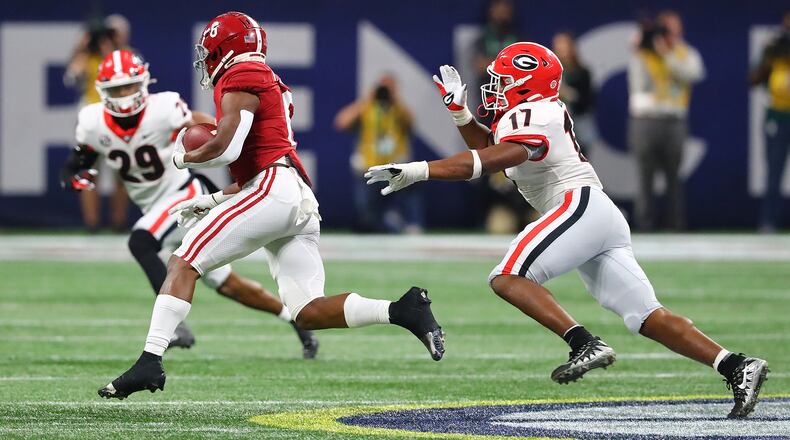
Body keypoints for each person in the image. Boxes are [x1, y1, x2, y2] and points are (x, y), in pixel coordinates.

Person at [367, 43, 768, 418]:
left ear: (526, 83)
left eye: (503, 81)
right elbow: (496, 151)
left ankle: (584, 342)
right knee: (645, 317)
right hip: (595, 214)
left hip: (577, 205)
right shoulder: (530, 115)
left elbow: (492, 160)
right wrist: (461, 116)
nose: (495, 88)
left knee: (508, 277)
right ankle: (737, 365)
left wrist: (421, 170)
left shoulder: (535, 112)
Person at [97, 12, 444, 400]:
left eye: (209, 52)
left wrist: (181, 158)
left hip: (274, 191)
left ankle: (150, 360)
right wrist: (209, 200)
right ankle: (402, 310)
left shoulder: (240, 76)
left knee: (183, 261)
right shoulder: (266, 81)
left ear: (225, 49)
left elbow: (226, 147)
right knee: (308, 311)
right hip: (290, 195)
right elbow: (259, 163)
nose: (206, 61)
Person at [61, 50, 318, 359]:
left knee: (140, 241)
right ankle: (295, 321)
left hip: (182, 195)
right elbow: (80, 159)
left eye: (129, 86)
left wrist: (223, 135)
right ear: (104, 92)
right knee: (228, 285)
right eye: (117, 90)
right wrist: (73, 176)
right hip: (153, 208)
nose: (125, 95)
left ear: (142, 84)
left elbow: (198, 124)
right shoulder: (92, 121)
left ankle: (174, 328)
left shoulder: (164, 107)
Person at [627, 11, 705, 231]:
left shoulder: (685, 53)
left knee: (674, 176)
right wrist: (642, 43)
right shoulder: (643, 52)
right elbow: (637, 79)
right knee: (644, 176)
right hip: (644, 119)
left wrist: (666, 54)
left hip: (673, 120)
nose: (668, 34)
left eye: (672, 29)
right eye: (665, 29)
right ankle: (645, 225)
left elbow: (693, 75)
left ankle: (675, 224)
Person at [334, 75, 423, 233]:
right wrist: (366, 100)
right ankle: (387, 224)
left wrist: (396, 101)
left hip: (397, 164)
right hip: (370, 165)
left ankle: (412, 225)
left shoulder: (399, 109)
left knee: (409, 196)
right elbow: (341, 122)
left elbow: (411, 123)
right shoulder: (367, 107)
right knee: (368, 214)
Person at [64, 18, 130, 232]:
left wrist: (110, 52)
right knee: (88, 170)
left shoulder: (125, 56)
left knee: (123, 171)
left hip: (118, 118)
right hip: (92, 119)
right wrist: (81, 47)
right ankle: (91, 223)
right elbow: (71, 77)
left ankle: (118, 221)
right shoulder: (86, 57)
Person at [750, 11, 790, 233]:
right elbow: (753, 79)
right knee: (774, 172)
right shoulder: (774, 49)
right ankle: (768, 221)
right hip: (778, 115)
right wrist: (769, 55)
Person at [552, 31, 597, 154]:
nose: (562, 48)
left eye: (564, 44)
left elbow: (588, 99)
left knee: (581, 157)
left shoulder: (582, 72)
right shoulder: (550, 72)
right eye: (558, 44)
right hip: (557, 123)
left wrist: (570, 94)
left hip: (579, 121)